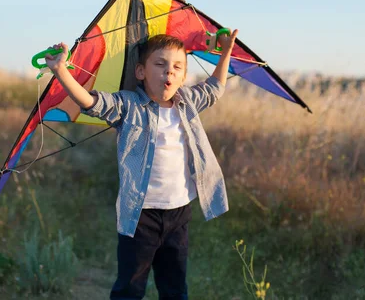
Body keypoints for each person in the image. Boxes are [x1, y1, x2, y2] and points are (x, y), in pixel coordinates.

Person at [45, 29, 238, 300]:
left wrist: (226, 51)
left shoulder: (188, 103)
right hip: (140, 216)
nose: (168, 72)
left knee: (174, 287)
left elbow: (215, 88)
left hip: (178, 212)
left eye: (177, 67)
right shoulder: (129, 106)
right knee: (130, 287)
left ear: (183, 76)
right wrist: (60, 70)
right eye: (159, 64)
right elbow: (91, 102)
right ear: (140, 72)